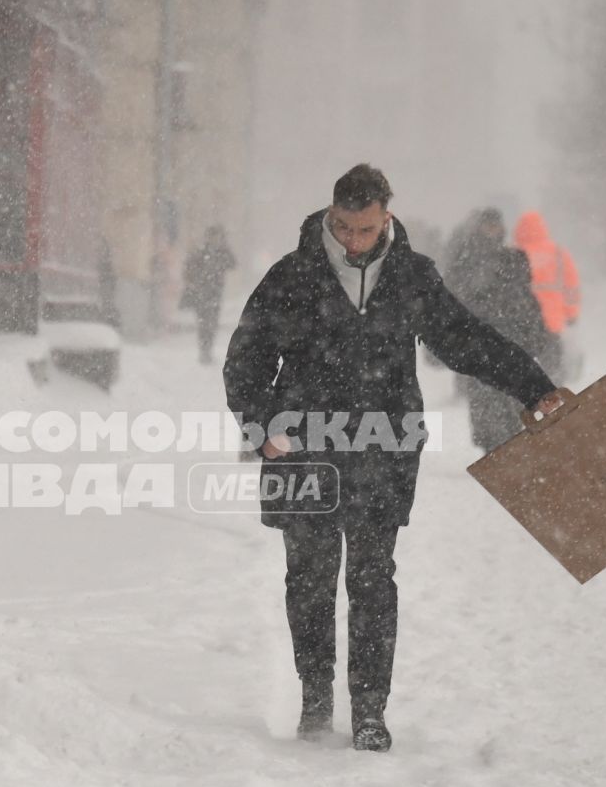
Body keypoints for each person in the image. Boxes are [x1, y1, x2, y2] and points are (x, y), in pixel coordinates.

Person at [223, 165, 567, 752]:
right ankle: (315, 696)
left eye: (363, 229)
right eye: (343, 227)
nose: (352, 240)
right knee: (308, 577)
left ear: (386, 217)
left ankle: (369, 710)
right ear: (331, 215)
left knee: (372, 579)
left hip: (384, 450)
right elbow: (246, 357)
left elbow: (465, 339)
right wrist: (261, 429)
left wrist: (534, 387)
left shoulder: (411, 276)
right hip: (302, 449)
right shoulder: (293, 274)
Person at [445, 208, 556, 451]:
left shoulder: (513, 258)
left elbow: (526, 297)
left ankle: (509, 443)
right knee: (485, 397)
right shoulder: (467, 261)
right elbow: (457, 298)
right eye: (487, 225)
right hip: (482, 340)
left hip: (512, 337)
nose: (492, 231)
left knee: (512, 398)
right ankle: (492, 445)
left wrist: (536, 332)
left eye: (495, 226)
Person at [511, 210, 582, 377]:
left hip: (522, 320)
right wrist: (571, 313)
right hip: (552, 320)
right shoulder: (557, 253)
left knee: (522, 363)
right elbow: (571, 286)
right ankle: (554, 394)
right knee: (551, 364)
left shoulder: (514, 253)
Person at [181, 225, 237, 363]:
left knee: (212, 322)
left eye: (217, 236)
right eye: (213, 236)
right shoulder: (200, 252)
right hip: (201, 293)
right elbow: (189, 267)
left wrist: (225, 246)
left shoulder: (222, 252)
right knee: (203, 322)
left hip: (216, 294)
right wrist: (194, 282)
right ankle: (204, 351)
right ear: (208, 237)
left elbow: (233, 264)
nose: (215, 239)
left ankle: (208, 350)